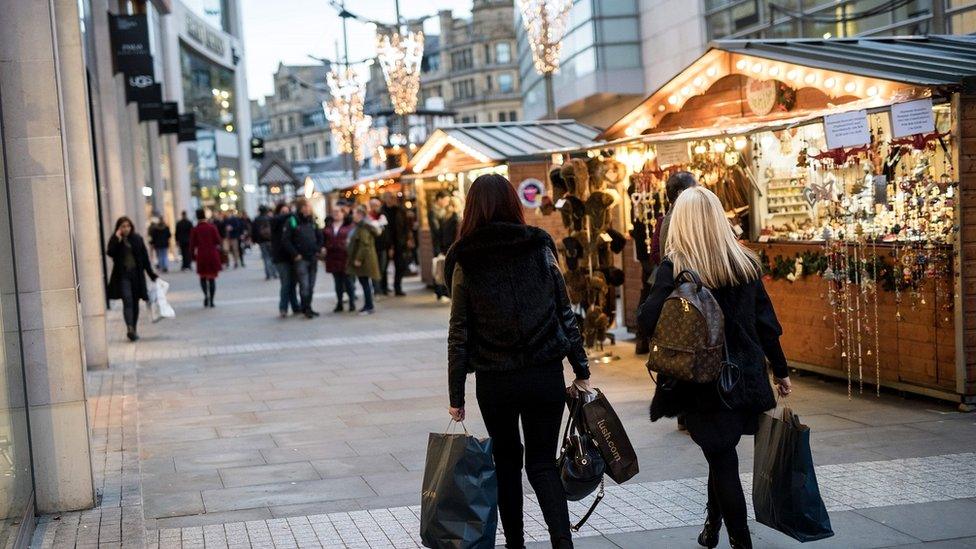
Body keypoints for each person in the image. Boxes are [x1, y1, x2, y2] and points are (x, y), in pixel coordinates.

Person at [636, 186, 792, 549]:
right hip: (744, 378)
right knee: (720, 451)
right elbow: (767, 324)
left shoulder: (674, 269)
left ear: (682, 224)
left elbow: (646, 320)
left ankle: (741, 541)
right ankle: (711, 525)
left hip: (701, 382)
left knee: (722, 459)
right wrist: (780, 371)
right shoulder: (744, 263)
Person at [445, 174, 590, 549]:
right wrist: (581, 367)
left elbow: (459, 331)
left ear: (472, 208)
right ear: (513, 203)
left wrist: (456, 394)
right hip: (544, 375)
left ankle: (516, 545)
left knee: (507, 464)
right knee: (542, 464)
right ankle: (562, 542)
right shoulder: (539, 245)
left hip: (497, 380)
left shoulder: (465, 258)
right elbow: (564, 310)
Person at [106, 216, 158, 341]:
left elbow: (145, 259)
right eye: (123, 226)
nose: (126, 228)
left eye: (128, 226)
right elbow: (110, 252)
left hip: (136, 276)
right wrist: (116, 237)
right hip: (123, 276)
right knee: (127, 301)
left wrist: (151, 275)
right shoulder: (116, 240)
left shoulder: (137, 239)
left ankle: (133, 328)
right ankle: (129, 327)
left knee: (135, 303)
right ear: (119, 228)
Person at [282, 198, 324, 318]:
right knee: (304, 284)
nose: (308, 209)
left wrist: (318, 248)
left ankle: (308, 306)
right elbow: (286, 240)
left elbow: (319, 236)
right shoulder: (293, 221)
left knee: (311, 284)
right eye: (305, 206)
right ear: (300, 208)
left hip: (312, 257)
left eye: (309, 207)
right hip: (301, 258)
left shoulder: (313, 221)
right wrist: (295, 254)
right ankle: (305, 308)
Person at [346, 205, 380, 315]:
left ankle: (369, 306)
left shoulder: (363, 227)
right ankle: (367, 305)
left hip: (364, 260)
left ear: (360, 215)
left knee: (365, 283)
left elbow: (364, 245)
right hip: (364, 259)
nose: (353, 215)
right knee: (364, 283)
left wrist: (358, 259)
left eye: (355, 213)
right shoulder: (360, 226)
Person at [323, 204, 357, 312]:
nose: (336, 214)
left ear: (343, 214)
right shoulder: (328, 226)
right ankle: (339, 303)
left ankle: (352, 302)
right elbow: (324, 240)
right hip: (333, 257)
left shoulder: (349, 226)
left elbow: (353, 241)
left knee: (348, 281)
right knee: (337, 282)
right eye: (334, 212)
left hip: (345, 257)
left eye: (338, 212)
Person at [271, 203, 301, 317]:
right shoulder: (275, 221)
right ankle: (283, 307)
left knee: (292, 283)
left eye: (287, 211)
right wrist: (290, 214)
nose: (286, 214)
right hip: (280, 257)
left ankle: (295, 306)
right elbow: (276, 219)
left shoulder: (292, 221)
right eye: (283, 212)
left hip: (291, 256)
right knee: (286, 283)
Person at [428, 190, 459, 302]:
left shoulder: (444, 212)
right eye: (445, 200)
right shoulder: (434, 211)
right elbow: (436, 230)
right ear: (439, 199)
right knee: (439, 267)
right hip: (439, 243)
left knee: (440, 266)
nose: (446, 203)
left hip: (442, 243)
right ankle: (440, 292)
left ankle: (441, 291)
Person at [189, 209, 222, 307]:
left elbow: (192, 245)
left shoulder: (195, 229)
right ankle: (211, 300)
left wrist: (193, 257)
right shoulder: (212, 228)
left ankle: (206, 295)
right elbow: (218, 241)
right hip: (212, 254)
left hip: (201, 255)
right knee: (212, 278)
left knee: (203, 277)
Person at [381, 192, 409, 296]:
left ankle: (398, 287)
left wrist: (407, 239)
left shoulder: (400, 210)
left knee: (400, 266)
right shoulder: (382, 211)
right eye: (389, 197)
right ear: (385, 199)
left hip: (399, 242)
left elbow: (406, 226)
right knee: (384, 266)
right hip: (386, 243)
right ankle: (383, 287)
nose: (392, 199)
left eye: (393, 198)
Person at [367, 198, 390, 295]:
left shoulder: (383, 216)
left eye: (377, 206)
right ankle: (377, 289)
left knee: (383, 268)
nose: (376, 208)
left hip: (383, 247)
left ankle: (383, 287)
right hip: (372, 248)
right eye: (374, 206)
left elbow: (388, 232)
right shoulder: (368, 218)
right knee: (374, 269)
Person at [252, 205, 277, 280]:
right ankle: (274, 273)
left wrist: (255, 240)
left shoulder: (257, 219)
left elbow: (254, 231)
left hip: (261, 241)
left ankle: (268, 274)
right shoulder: (269, 218)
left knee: (265, 257)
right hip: (270, 240)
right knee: (272, 256)